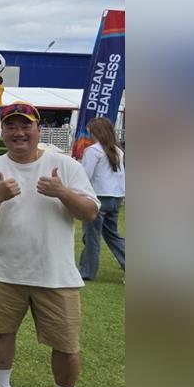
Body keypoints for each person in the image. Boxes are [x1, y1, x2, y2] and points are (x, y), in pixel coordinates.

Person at [0, 102, 99, 387]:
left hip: (55, 273)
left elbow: (89, 212)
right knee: (2, 332)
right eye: (11, 126)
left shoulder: (65, 166)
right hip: (3, 269)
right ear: (2, 131)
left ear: (38, 129)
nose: (18, 132)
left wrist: (62, 193)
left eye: (25, 126)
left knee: (66, 345)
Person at [77, 117, 125, 281]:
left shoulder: (93, 151)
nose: (89, 134)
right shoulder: (118, 151)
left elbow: (85, 175)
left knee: (92, 236)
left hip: (98, 197)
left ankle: (87, 271)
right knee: (112, 234)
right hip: (115, 197)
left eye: (91, 131)